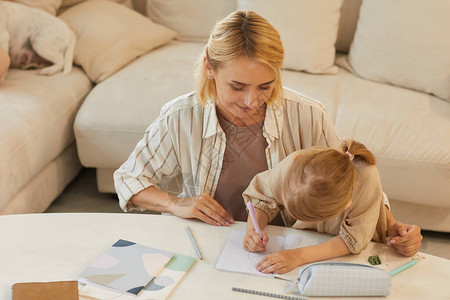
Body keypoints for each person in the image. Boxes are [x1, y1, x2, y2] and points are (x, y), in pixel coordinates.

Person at [113, 10, 422, 256]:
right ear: (209, 67)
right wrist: (175, 203)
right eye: (237, 86)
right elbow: (128, 179)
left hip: (282, 246)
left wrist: (393, 226)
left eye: (265, 86)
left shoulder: (308, 115)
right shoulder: (180, 117)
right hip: (209, 243)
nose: (251, 101)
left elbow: (348, 179)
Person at [243, 139, 387, 274]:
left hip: (350, 256)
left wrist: (299, 256)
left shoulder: (367, 179)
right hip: (304, 238)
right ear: (295, 160)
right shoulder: (297, 165)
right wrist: (252, 230)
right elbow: (262, 196)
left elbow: (354, 238)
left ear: (346, 204)